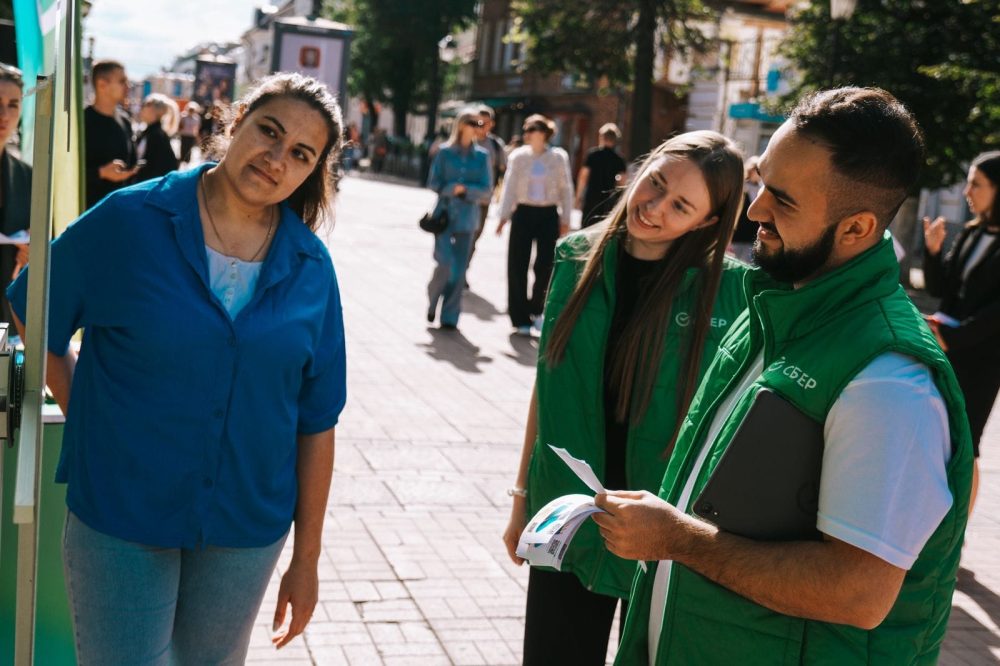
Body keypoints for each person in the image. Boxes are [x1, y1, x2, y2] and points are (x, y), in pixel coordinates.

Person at [594, 87, 973, 665]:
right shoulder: (774, 304)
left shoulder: (889, 381)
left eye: (784, 200)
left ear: (857, 228)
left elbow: (858, 591)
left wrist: (675, 539)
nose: (754, 210)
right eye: (762, 179)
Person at [8, 72, 347, 663]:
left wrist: (307, 560)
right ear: (235, 119)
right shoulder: (132, 219)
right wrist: (84, 410)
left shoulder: (311, 267)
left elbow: (317, 421)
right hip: (121, 514)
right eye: (268, 131)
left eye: (300, 154)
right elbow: (33, 306)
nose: (276, 159)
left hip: (245, 530)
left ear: (311, 171)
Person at [502, 130, 748, 665]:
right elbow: (547, 391)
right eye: (653, 183)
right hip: (568, 517)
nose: (653, 208)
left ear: (708, 220)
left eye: (680, 205)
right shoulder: (574, 258)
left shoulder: (732, 292)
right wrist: (521, 499)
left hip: (662, 532)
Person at [923, 150, 1000, 518]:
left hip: (981, 360)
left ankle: (958, 534)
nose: (968, 190)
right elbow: (943, 290)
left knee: (966, 444)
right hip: (949, 348)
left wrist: (951, 338)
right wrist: (934, 251)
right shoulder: (971, 233)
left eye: (977, 184)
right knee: (938, 436)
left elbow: (994, 315)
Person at [497, 114, 573, 335]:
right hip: (523, 212)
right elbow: (509, 187)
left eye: (531, 129)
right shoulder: (519, 157)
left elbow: (566, 189)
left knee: (545, 264)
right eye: (526, 129)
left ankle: (537, 309)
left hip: (548, 213)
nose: (527, 134)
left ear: (543, 133)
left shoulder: (558, 157)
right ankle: (519, 316)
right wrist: (503, 217)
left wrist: (566, 219)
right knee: (517, 263)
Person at [425, 108, 492, 329]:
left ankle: (450, 316)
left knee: (459, 269)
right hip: (444, 216)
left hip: (467, 218)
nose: (477, 128)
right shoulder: (444, 152)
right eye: (473, 123)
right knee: (443, 264)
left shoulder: (483, 156)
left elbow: (486, 190)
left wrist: (466, 191)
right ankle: (433, 299)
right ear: (462, 124)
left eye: (479, 124)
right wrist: (451, 188)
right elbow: (433, 183)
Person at [85, 60, 138, 209]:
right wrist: (100, 173)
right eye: (122, 81)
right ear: (102, 85)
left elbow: (131, 163)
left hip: (118, 209)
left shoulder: (125, 121)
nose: (128, 87)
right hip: (87, 212)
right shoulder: (81, 123)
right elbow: (65, 173)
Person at [0, 64, 30, 326]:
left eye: (13, 104)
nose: (4, 114)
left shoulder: (26, 176)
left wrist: (32, 249)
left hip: (5, 313)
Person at [467, 105, 507, 279]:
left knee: (473, 239)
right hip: (463, 199)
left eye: (485, 122)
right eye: (477, 122)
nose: (481, 125)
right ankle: (453, 272)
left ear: (491, 124)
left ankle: (462, 272)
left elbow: (504, 169)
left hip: (483, 201)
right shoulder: (465, 141)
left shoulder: (496, 146)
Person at [576, 123, 628, 228]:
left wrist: (578, 196)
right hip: (608, 200)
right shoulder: (619, 159)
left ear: (601, 137)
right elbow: (623, 182)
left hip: (591, 197)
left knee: (586, 228)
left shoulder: (592, 155)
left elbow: (583, 177)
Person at [134, 93, 180, 182]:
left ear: (154, 110)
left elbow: (159, 169)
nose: (141, 108)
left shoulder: (157, 136)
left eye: (145, 105)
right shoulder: (149, 133)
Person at [728, 155, 762, 262]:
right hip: (738, 234)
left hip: (753, 236)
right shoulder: (742, 188)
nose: (759, 174)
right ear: (751, 170)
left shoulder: (762, 189)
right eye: (757, 171)